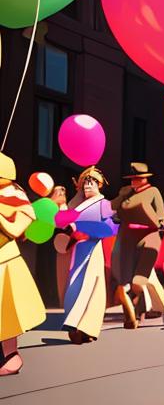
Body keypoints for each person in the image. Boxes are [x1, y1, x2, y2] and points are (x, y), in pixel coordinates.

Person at [0, 153, 46, 375]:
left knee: (7, 313)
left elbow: (16, 229)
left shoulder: (15, 197)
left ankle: (12, 355)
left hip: (5, 261)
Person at [111, 162, 164, 328]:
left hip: (148, 237)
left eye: (137, 178)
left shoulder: (153, 192)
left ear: (145, 179)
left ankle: (138, 312)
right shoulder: (127, 193)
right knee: (126, 280)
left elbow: (160, 215)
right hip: (127, 239)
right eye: (132, 179)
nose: (133, 182)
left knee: (139, 279)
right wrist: (121, 196)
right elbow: (112, 208)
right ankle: (133, 314)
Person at [61, 167, 117, 343]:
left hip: (93, 248)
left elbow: (111, 226)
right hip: (78, 248)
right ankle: (83, 324)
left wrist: (86, 230)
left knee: (90, 283)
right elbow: (63, 221)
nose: (88, 185)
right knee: (75, 283)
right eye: (85, 181)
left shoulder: (104, 203)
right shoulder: (77, 204)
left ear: (99, 184)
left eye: (91, 182)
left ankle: (76, 322)